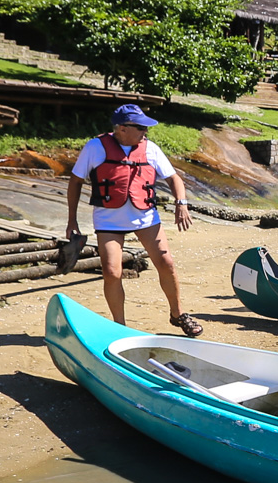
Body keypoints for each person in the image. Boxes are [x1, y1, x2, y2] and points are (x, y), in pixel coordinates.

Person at [65, 104, 200, 335]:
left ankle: (178, 315)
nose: (144, 131)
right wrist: (72, 220)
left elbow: (174, 179)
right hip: (108, 220)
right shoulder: (94, 147)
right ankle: (120, 327)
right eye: (140, 126)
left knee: (166, 263)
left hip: (145, 218)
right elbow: (75, 182)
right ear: (121, 128)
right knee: (111, 271)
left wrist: (182, 203)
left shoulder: (151, 150)